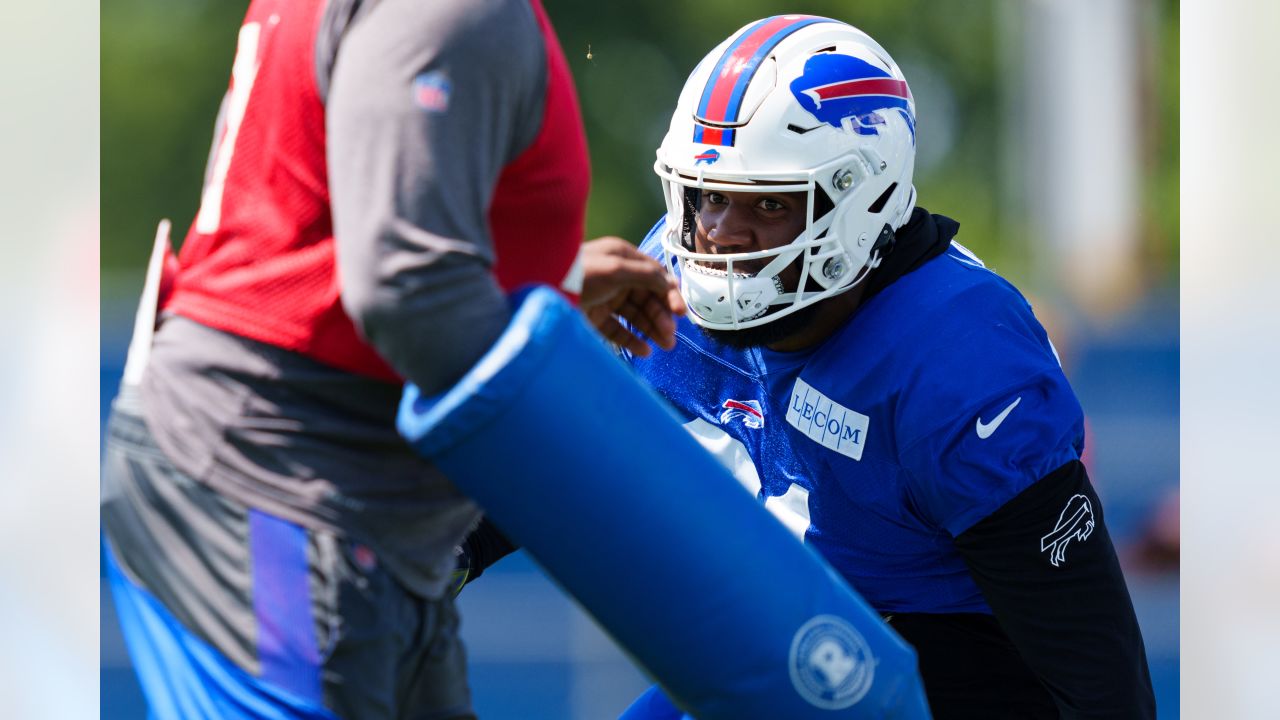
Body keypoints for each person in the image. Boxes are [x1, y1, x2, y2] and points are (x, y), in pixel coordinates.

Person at [100, 0, 682, 718]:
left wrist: (547, 286)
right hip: (282, 488)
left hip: (287, 478)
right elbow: (410, 295)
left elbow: (343, 240)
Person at [610, 15, 1155, 720]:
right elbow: (544, 455)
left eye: (768, 202)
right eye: (709, 195)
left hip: (939, 663)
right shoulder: (671, 278)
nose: (717, 235)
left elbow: (1093, 663)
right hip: (780, 630)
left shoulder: (957, 352)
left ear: (860, 200)